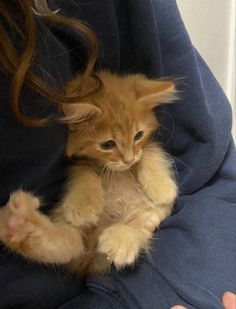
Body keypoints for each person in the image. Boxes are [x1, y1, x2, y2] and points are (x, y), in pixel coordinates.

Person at [0, 1, 235, 308]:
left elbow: (188, 181)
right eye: (109, 145)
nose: (128, 157)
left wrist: (145, 158)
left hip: (156, 263)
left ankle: (122, 236)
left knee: (139, 214)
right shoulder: (84, 151)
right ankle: (37, 238)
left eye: (137, 136)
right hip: (87, 267)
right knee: (74, 228)